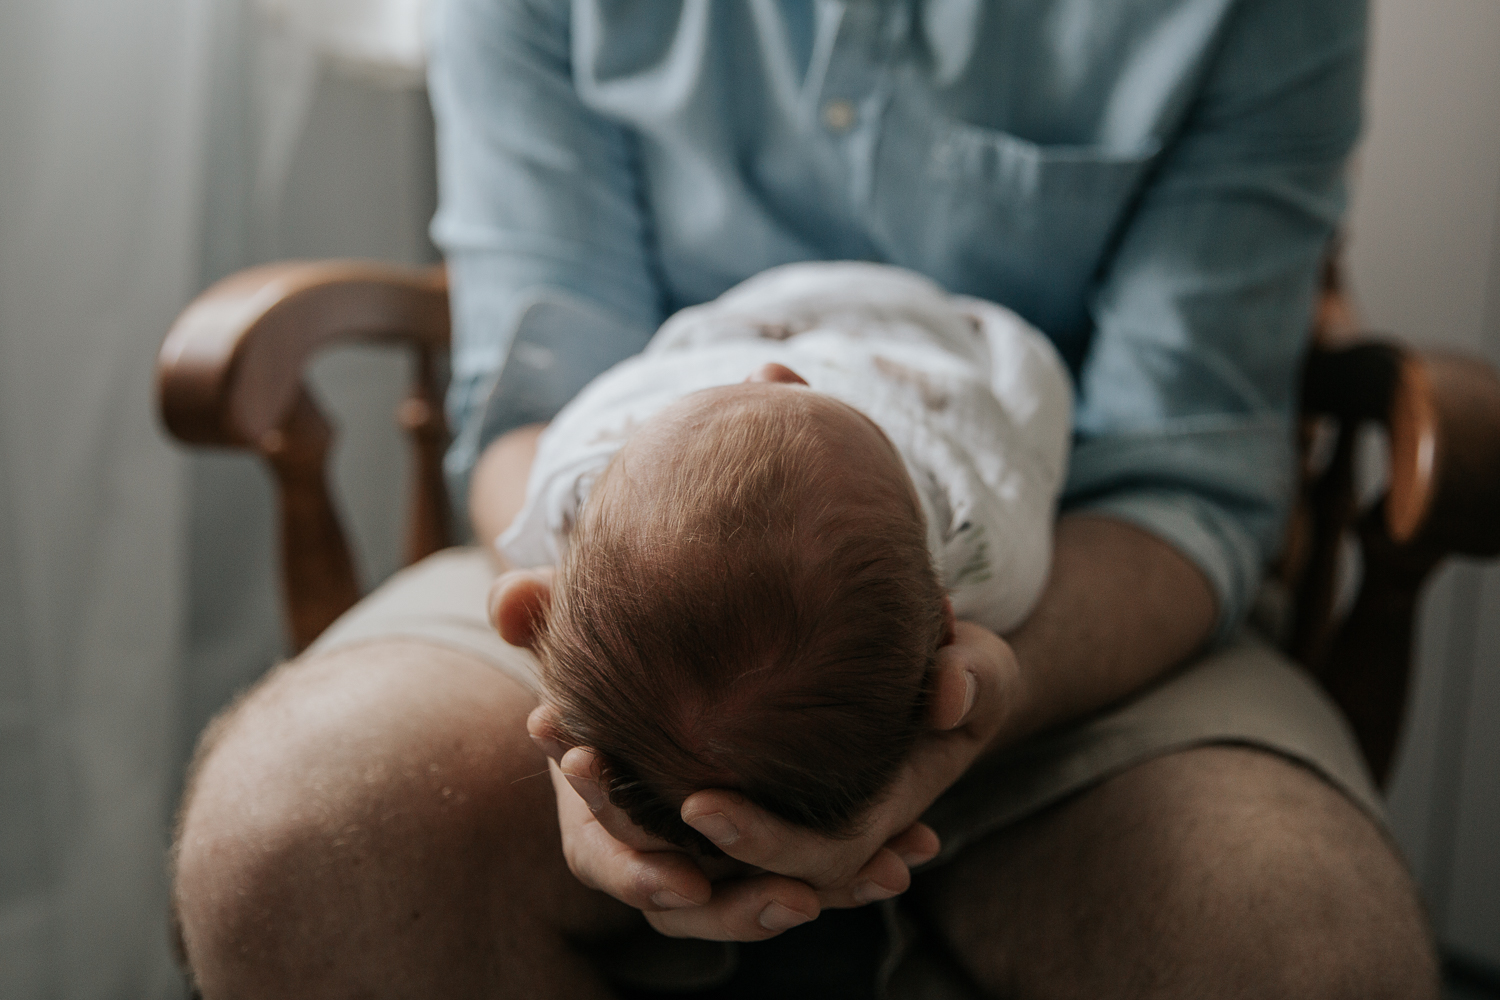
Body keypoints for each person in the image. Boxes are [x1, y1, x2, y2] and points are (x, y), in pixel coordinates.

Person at [171, 2, 1439, 998]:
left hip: (1091, 592)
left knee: (1308, 956)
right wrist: (591, 669)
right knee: (286, 850)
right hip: (613, 579)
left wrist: (978, 696)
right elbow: (534, 411)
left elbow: (1183, 480)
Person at [502, 261, 1070, 852]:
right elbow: (1030, 409)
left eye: (732, 393)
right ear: (946, 622)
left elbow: (540, 496)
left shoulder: (581, 479)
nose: (770, 369)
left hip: (730, 321)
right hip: (924, 334)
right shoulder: (978, 536)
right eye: (806, 396)